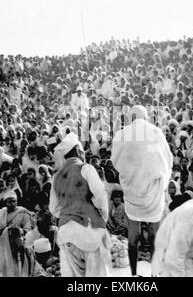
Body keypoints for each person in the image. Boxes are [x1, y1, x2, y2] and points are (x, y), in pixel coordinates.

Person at [112, 105, 173, 276]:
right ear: (145, 118)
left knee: (133, 238)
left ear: (131, 118)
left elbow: (116, 161)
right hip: (153, 191)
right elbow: (166, 159)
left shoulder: (123, 134)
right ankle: (154, 274)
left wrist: (132, 175)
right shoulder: (155, 132)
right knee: (155, 236)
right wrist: (161, 181)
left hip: (132, 191)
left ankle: (133, 273)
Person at [49, 132, 111, 277]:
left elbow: (54, 208)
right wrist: (101, 217)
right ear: (78, 151)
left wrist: (68, 212)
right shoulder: (86, 168)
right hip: (88, 231)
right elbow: (101, 197)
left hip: (66, 233)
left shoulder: (56, 177)